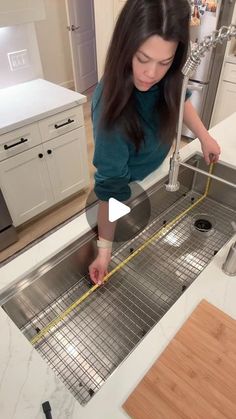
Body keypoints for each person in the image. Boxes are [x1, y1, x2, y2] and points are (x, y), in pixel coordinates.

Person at [89, 0, 221, 285]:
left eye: (164, 62)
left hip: (155, 173)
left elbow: (178, 98)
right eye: (142, 59)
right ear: (125, 48)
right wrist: (104, 252)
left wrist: (204, 136)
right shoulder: (110, 111)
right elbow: (111, 189)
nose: (152, 74)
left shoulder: (166, 77)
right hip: (126, 189)